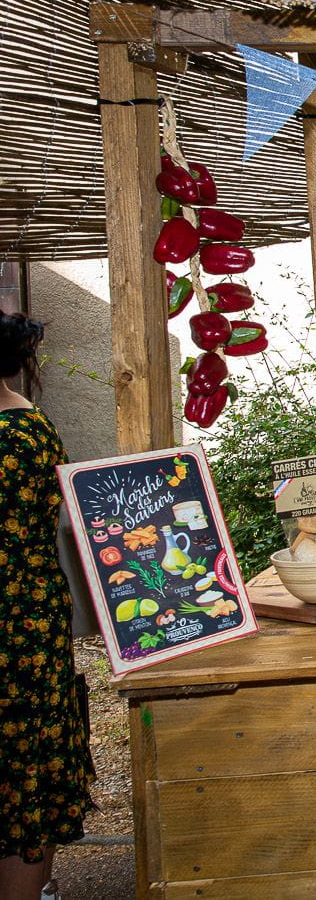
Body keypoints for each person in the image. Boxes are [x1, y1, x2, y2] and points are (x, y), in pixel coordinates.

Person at [0, 312, 92, 900]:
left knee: (18, 764)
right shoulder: (30, 423)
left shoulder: (12, 436)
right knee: (28, 763)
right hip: (31, 618)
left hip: (14, 626)